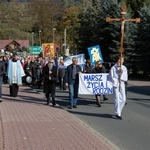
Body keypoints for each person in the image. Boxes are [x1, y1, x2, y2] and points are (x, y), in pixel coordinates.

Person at [109, 54, 128, 120]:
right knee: (117, 99)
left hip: (122, 84)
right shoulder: (113, 68)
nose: (123, 61)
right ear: (119, 60)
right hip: (116, 85)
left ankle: (118, 110)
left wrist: (122, 73)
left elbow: (125, 77)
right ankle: (118, 113)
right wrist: (117, 80)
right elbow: (111, 77)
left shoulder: (124, 67)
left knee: (123, 99)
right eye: (122, 60)